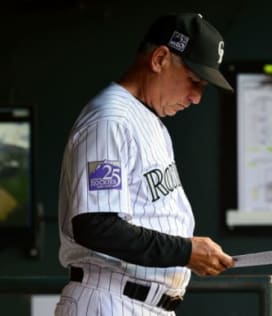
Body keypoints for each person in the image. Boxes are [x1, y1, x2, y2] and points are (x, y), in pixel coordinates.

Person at [55, 13, 235, 316]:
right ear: (160, 58)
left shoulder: (151, 121)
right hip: (110, 300)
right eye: (194, 81)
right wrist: (187, 251)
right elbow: (96, 225)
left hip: (142, 304)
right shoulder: (110, 119)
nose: (196, 98)